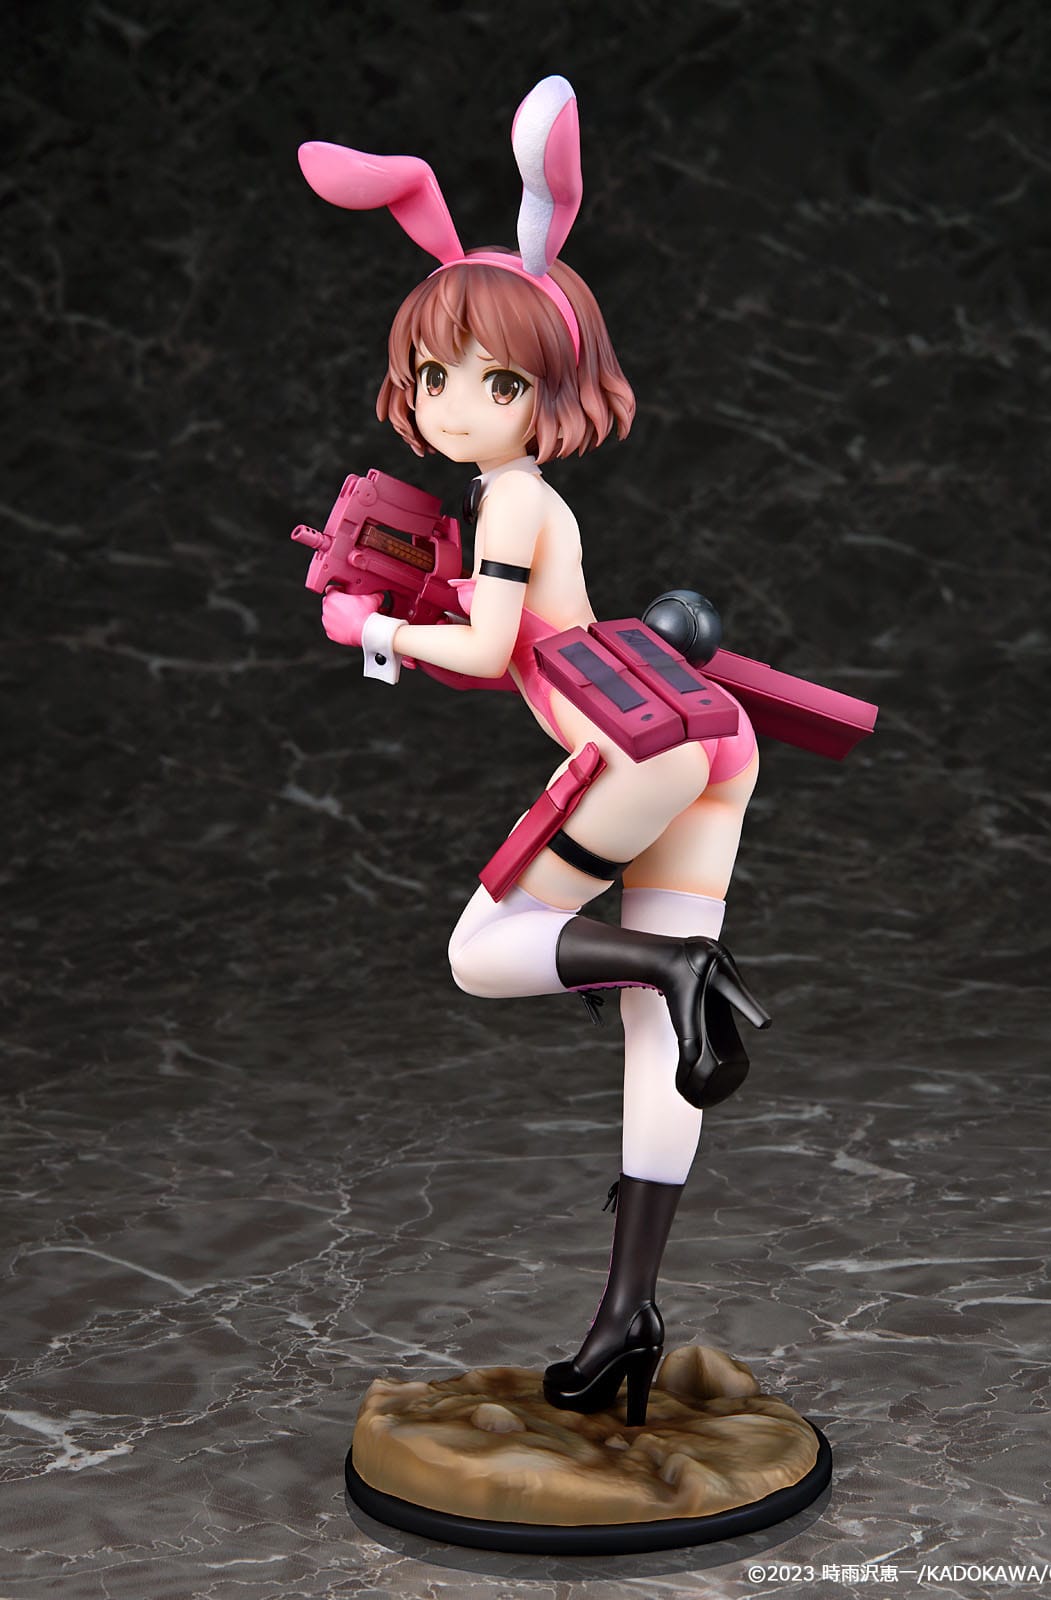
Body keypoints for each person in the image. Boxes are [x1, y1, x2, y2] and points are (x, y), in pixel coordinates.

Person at [302, 76, 768, 1429]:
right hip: (703, 737)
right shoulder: (516, 502)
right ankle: (629, 1316)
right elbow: (510, 629)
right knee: (653, 1048)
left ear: (548, 389)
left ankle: (674, 965)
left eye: (496, 381)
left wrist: (373, 629)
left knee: (484, 950)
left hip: (633, 746)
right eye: (436, 376)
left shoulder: (513, 498)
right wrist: (422, 600)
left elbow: (494, 644)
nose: (458, 405)